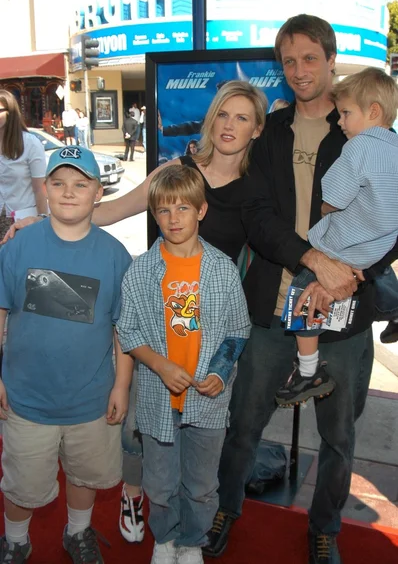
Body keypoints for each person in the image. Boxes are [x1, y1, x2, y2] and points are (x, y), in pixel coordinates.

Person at [3, 80, 267, 544]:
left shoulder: (256, 190)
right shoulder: (173, 173)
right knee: (142, 425)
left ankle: (196, 525)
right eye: (223, 114)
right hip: (156, 311)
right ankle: (135, 493)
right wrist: (46, 221)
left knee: (201, 437)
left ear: (256, 128)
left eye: (242, 117)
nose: (230, 125)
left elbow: (272, 243)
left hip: (208, 322)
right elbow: (110, 207)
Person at [203, 14, 398, 564]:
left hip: (345, 309)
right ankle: (226, 508)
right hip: (272, 306)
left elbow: (392, 215)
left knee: (339, 437)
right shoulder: (272, 132)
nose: (299, 70)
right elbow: (259, 217)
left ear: (332, 59)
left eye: (310, 58)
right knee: (244, 424)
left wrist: (345, 277)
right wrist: (314, 260)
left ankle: (326, 527)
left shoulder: (364, 128)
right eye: (288, 61)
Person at [0, 146, 133, 563]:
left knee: (85, 474)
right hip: (27, 399)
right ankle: (16, 541)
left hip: (90, 400)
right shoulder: (19, 246)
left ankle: (78, 532)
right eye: (58, 183)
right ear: (45, 189)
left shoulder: (115, 256)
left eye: (80, 183)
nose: (69, 192)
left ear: (98, 193)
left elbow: (122, 329)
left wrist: (121, 386)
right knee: (22, 484)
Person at [116, 164, 251, 564]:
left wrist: (218, 372)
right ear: (154, 215)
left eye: (183, 209)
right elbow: (128, 330)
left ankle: (192, 542)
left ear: (201, 211)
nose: (174, 219)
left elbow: (237, 332)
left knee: (201, 485)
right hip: (159, 400)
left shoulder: (222, 270)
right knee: (159, 484)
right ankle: (165, 538)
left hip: (207, 403)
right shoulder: (141, 270)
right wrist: (158, 364)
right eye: (164, 211)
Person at [275, 67, 398, 406]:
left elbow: (333, 196)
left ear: (373, 112)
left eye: (345, 113)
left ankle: (309, 370)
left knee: (301, 298)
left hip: (344, 245)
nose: (340, 121)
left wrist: (326, 207)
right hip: (378, 248)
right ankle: (393, 305)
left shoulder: (358, 147)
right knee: (380, 277)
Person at [0, 89, 48, 241]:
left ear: (11, 112)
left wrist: (43, 220)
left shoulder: (29, 143)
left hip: (22, 220)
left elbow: (40, 189)